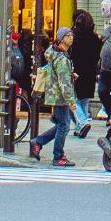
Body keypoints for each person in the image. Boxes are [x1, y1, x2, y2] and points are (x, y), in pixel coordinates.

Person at [35, 28, 81, 165]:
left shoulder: (57, 54)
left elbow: (59, 75)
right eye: (68, 36)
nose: (71, 38)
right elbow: (64, 82)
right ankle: (58, 156)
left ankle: (37, 142)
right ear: (61, 39)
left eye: (72, 35)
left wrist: (70, 74)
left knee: (62, 124)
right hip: (59, 96)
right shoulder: (61, 58)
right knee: (64, 126)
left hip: (55, 94)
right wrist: (70, 101)